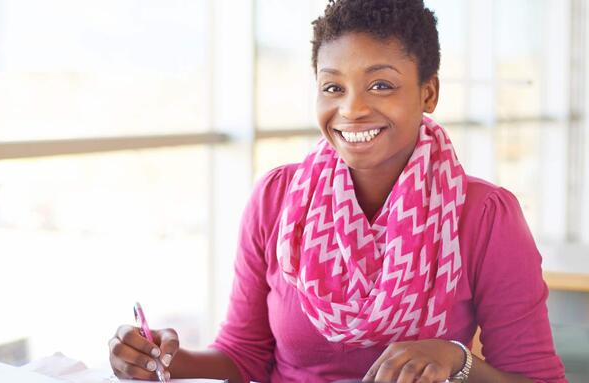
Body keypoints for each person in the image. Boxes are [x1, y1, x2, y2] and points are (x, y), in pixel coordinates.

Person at [108, 0, 568, 382]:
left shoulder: (484, 214)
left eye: (381, 85)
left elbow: (537, 377)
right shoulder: (277, 199)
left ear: (428, 94)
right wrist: (162, 359)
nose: (352, 109)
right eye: (333, 87)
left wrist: (457, 359)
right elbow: (243, 355)